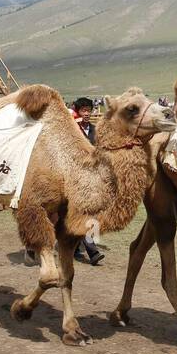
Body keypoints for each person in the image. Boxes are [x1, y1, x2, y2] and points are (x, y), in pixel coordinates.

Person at [71, 98, 103, 265]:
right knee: (84, 214)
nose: (87, 114)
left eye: (89, 110)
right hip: (74, 179)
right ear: (78, 112)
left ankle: (74, 248)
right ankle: (93, 251)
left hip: (92, 178)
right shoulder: (72, 130)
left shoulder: (95, 130)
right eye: (83, 110)